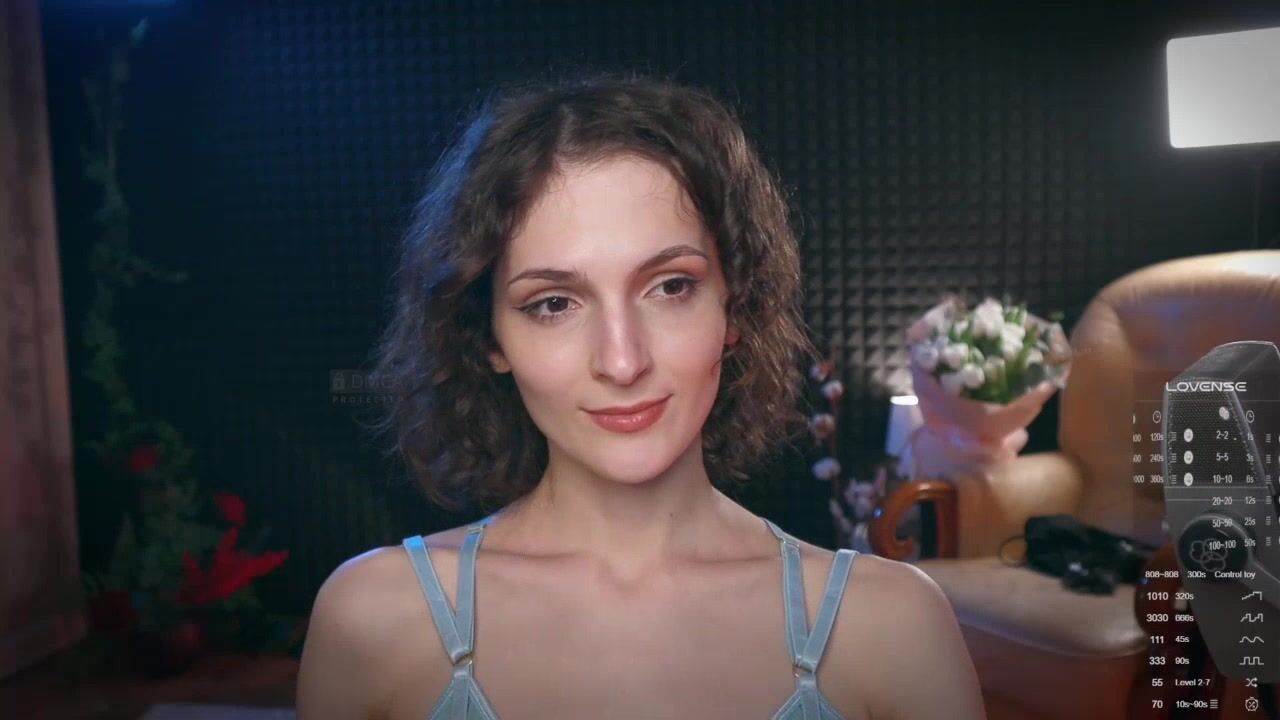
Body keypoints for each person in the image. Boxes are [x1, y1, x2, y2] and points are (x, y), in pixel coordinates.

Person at [296, 72, 986, 720]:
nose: (622, 362)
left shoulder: (891, 629)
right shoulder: (375, 621)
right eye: (554, 303)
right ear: (489, 338)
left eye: (670, 287)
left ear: (735, 305)